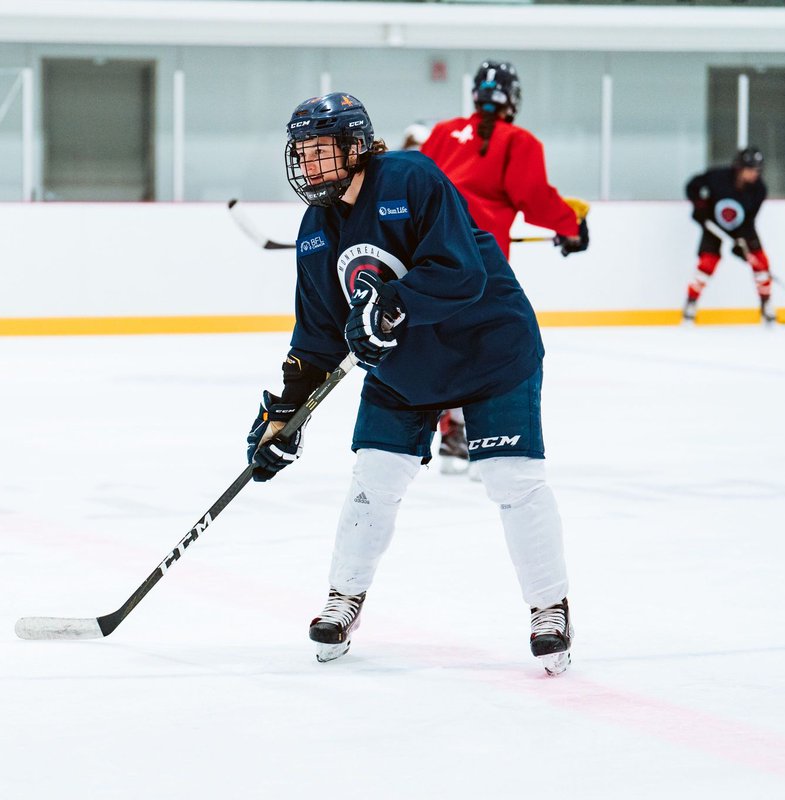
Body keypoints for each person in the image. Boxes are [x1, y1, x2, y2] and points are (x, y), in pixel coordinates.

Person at [246, 92, 573, 675]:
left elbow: (461, 273)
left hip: (489, 349)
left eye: (319, 152)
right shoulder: (316, 231)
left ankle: (550, 607)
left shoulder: (410, 178)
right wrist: (285, 416)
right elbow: (316, 339)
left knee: (512, 480)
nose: (307, 165)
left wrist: (391, 304)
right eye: (300, 153)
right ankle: (343, 598)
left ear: (354, 147)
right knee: (373, 480)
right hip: (405, 371)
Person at [420, 60, 589, 475]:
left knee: (445, 344)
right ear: (512, 99)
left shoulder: (443, 133)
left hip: (426, 257)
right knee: (491, 347)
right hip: (480, 264)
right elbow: (534, 199)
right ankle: (480, 439)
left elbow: (416, 185)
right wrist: (573, 226)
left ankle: (450, 432)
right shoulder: (518, 141)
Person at [682, 147, 773, 324]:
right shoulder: (718, 177)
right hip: (713, 224)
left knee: (760, 262)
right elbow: (692, 186)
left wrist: (740, 243)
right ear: (739, 168)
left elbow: (749, 220)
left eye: (758, 170)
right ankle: (691, 303)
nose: (755, 174)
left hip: (742, 228)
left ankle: (766, 304)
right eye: (751, 169)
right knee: (707, 262)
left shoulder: (759, 190)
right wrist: (699, 206)